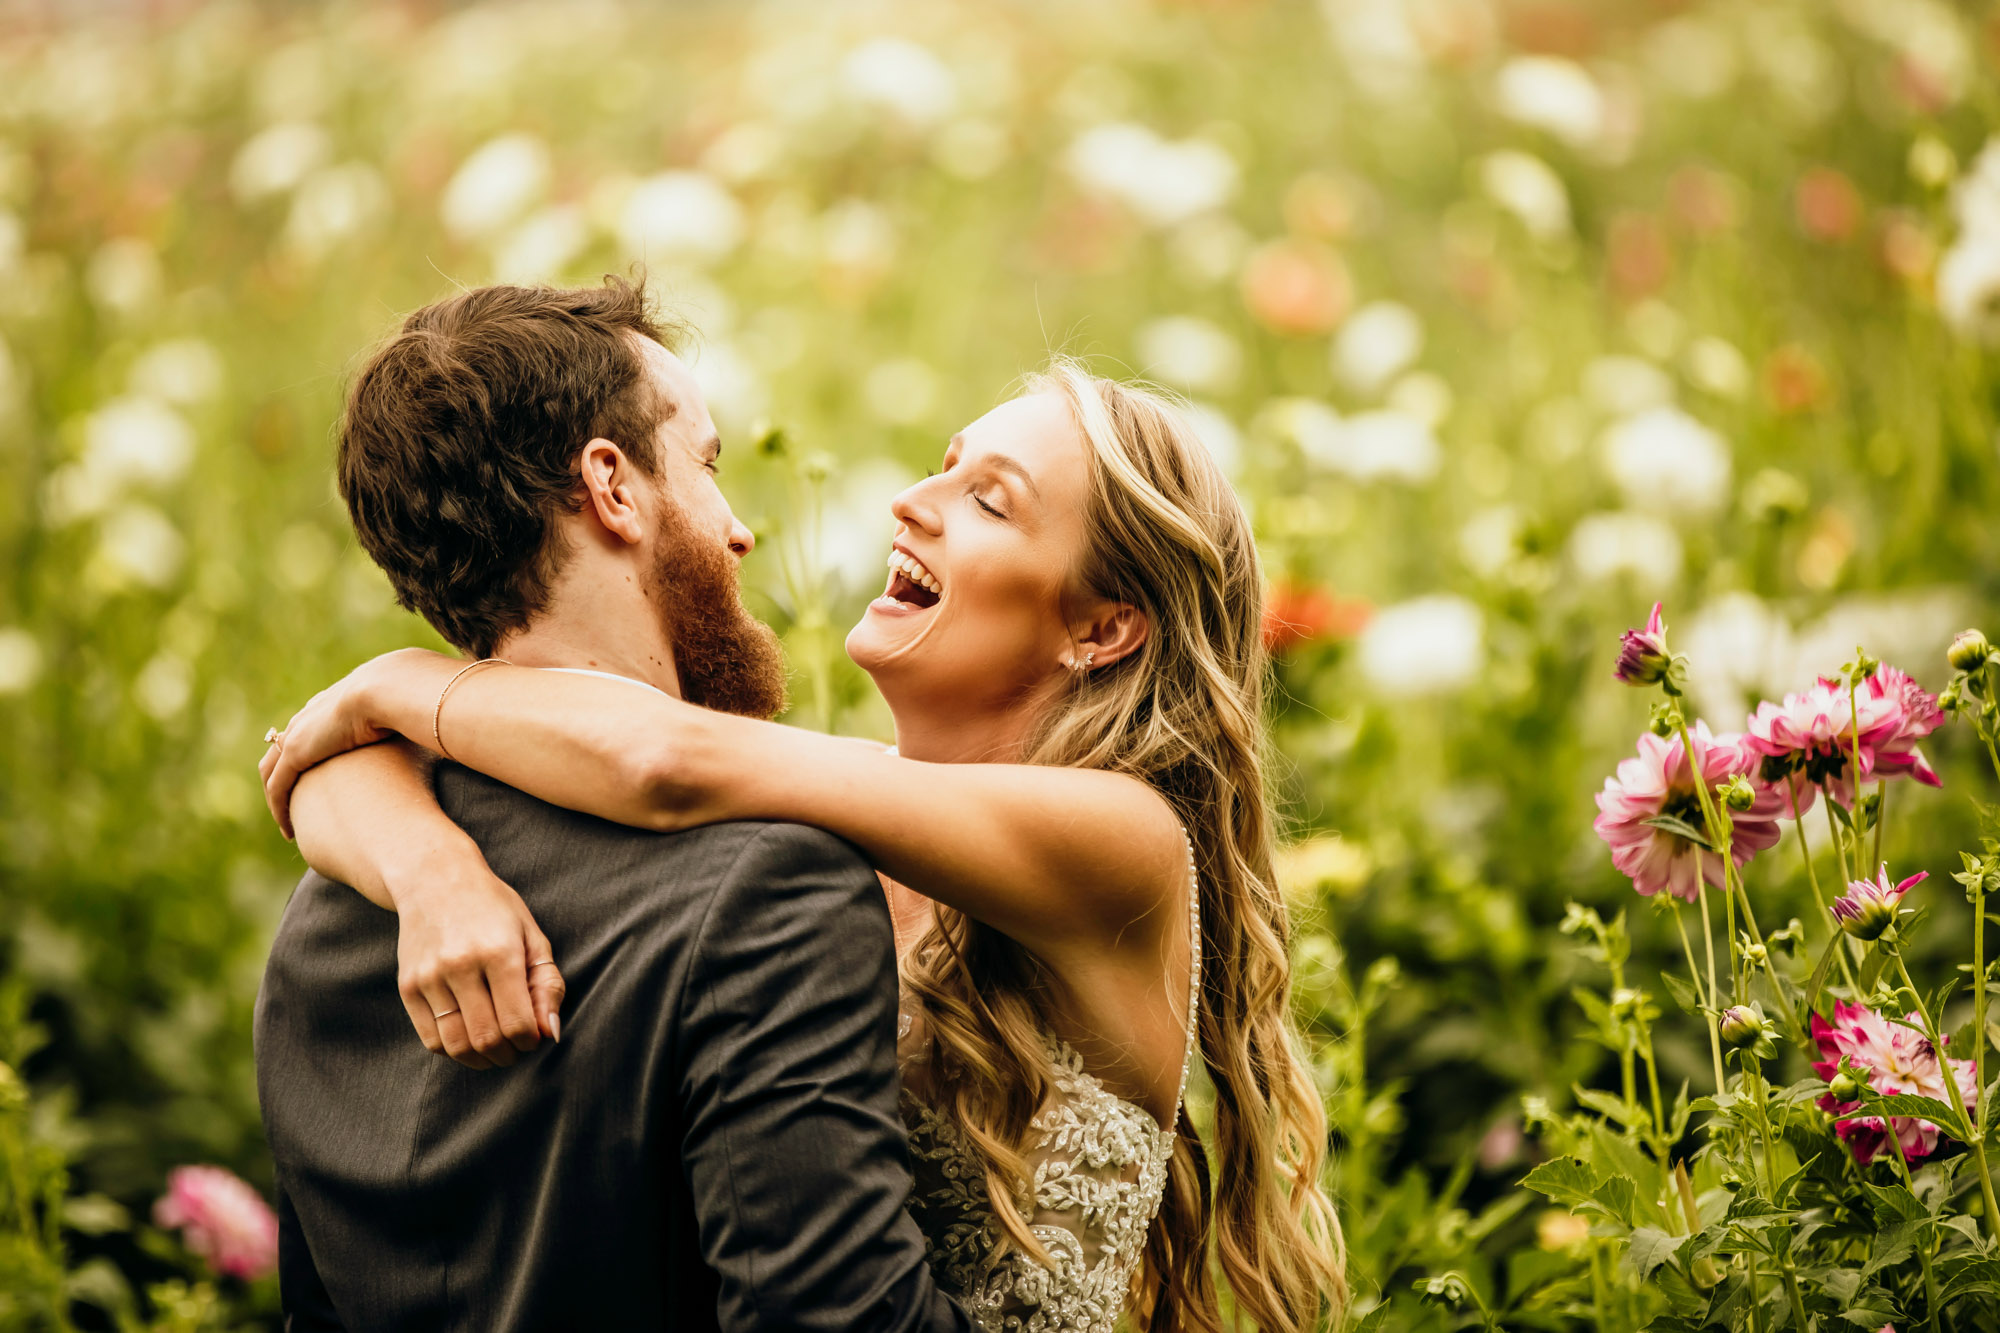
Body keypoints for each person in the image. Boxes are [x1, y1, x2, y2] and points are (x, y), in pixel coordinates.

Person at [262, 276, 1348, 1332]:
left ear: (1101, 627)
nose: (907, 501)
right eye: (940, 466)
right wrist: (424, 863)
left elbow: (662, 762)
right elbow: (610, 764)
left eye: (986, 500)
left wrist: (392, 684)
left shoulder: (1120, 841)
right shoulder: (810, 814)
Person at [252, 279, 974, 1333]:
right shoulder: (774, 887)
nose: (738, 533)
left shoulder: (323, 922)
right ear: (613, 487)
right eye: (708, 466)